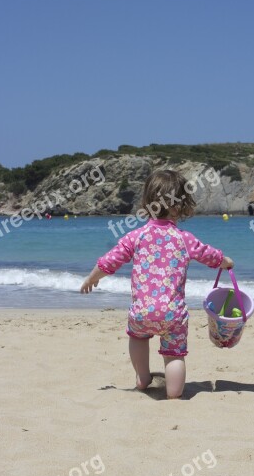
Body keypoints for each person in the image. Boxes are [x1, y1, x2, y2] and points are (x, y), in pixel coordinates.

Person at [80, 169, 234, 399]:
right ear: (180, 205)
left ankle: (142, 377)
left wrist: (91, 278)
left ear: (148, 202)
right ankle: (174, 392)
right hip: (172, 314)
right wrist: (226, 262)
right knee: (174, 354)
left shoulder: (136, 236)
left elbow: (109, 261)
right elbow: (209, 255)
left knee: (138, 338)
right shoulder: (184, 238)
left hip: (142, 312)